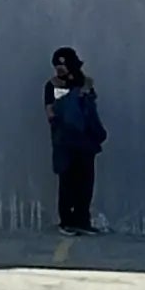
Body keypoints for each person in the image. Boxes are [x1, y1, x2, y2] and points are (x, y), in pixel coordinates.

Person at [46, 50, 105, 233]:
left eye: (63, 64)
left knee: (85, 183)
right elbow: (50, 111)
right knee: (67, 182)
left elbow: (91, 111)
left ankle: (82, 220)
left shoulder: (85, 85)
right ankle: (67, 221)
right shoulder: (53, 85)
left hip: (84, 142)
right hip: (65, 141)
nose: (59, 68)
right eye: (57, 65)